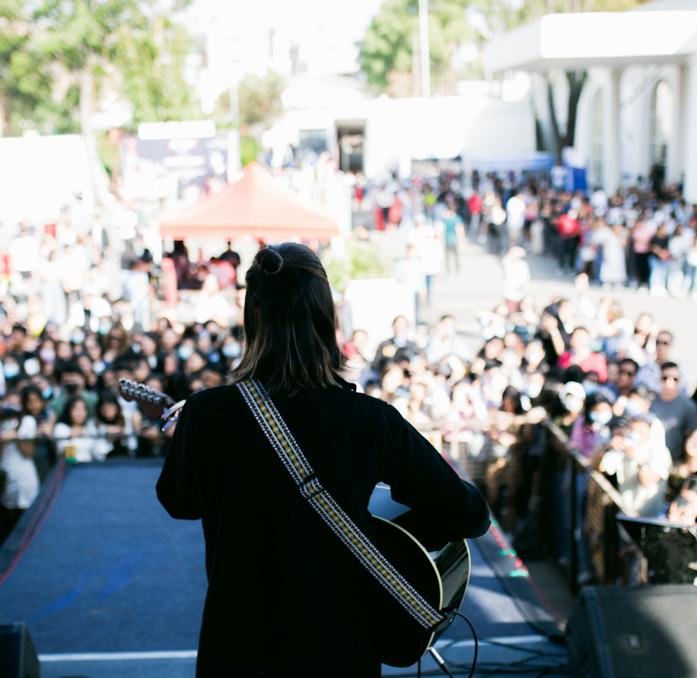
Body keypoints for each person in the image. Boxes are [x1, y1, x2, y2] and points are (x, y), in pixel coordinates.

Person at [154, 243, 490, 676]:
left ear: (251, 317)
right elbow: (470, 514)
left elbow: (180, 502)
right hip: (338, 646)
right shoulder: (371, 420)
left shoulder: (207, 412)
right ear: (327, 316)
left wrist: (196, 439)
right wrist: (385, 531)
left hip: (237, 645)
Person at [649, 362, 697, 458]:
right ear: (659, 378)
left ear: (680, 381)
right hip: (649, 456)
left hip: (674, 458)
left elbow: (695, 433)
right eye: (665, 378)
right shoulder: (649, 401)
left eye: (675, 379)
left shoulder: (688, 405)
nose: (669, 382)